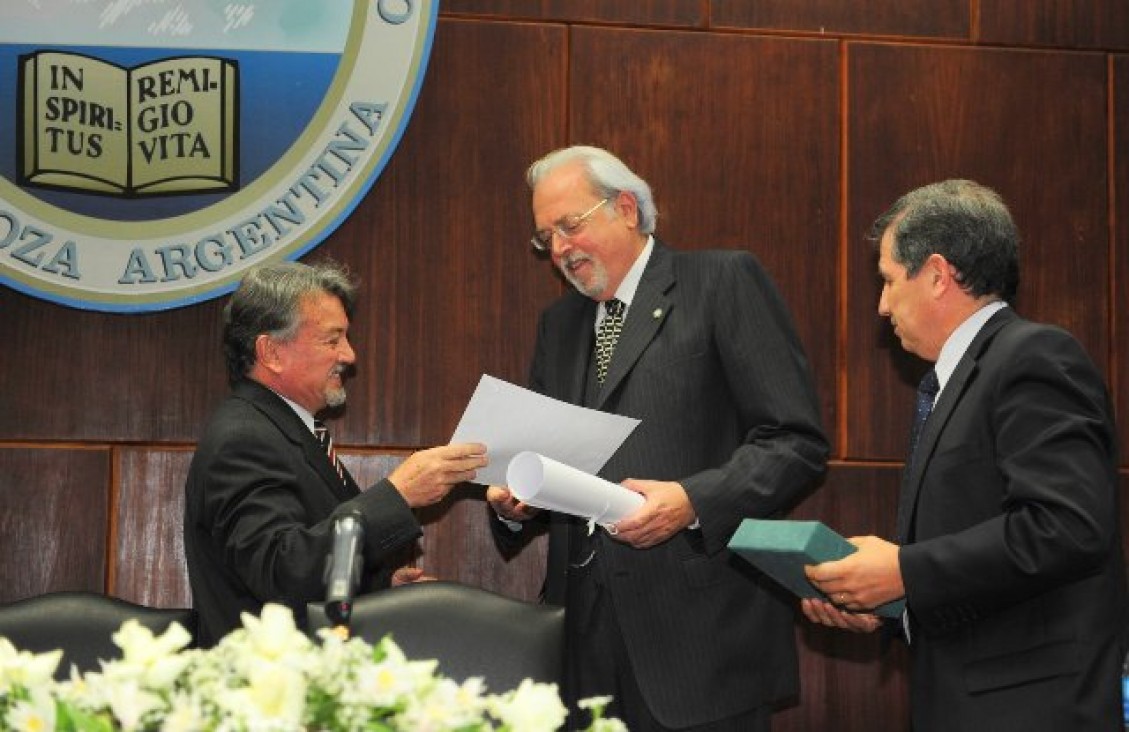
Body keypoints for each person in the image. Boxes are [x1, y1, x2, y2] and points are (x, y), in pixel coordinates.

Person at [486, 145, 829, 731]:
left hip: (700, 639)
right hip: (581, 642)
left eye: (570, 225)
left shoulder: (721, 281)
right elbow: (548, 459)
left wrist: (694, 501)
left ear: (625, 208)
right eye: (547, 238)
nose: (561, 249)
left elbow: (795, 441)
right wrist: (516, 502)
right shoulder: (559, 325)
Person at [802, 180, 1128, 731]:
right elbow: (980, 558)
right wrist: (886, 607)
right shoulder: (952, 384)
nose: (881, 307)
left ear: (935, 274)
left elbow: (1067, 527)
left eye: (886, 281)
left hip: (1031, 711)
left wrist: (904, 571)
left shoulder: (1035, 358)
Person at [184, 260, 487, 647]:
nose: (349, 355)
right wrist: (397, 495)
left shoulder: (282, 428)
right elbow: (280, 572)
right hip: (268, 693)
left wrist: (377, 587)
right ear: (272, 351)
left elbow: (304, 562)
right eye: (332, 339)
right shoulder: (244, 438)